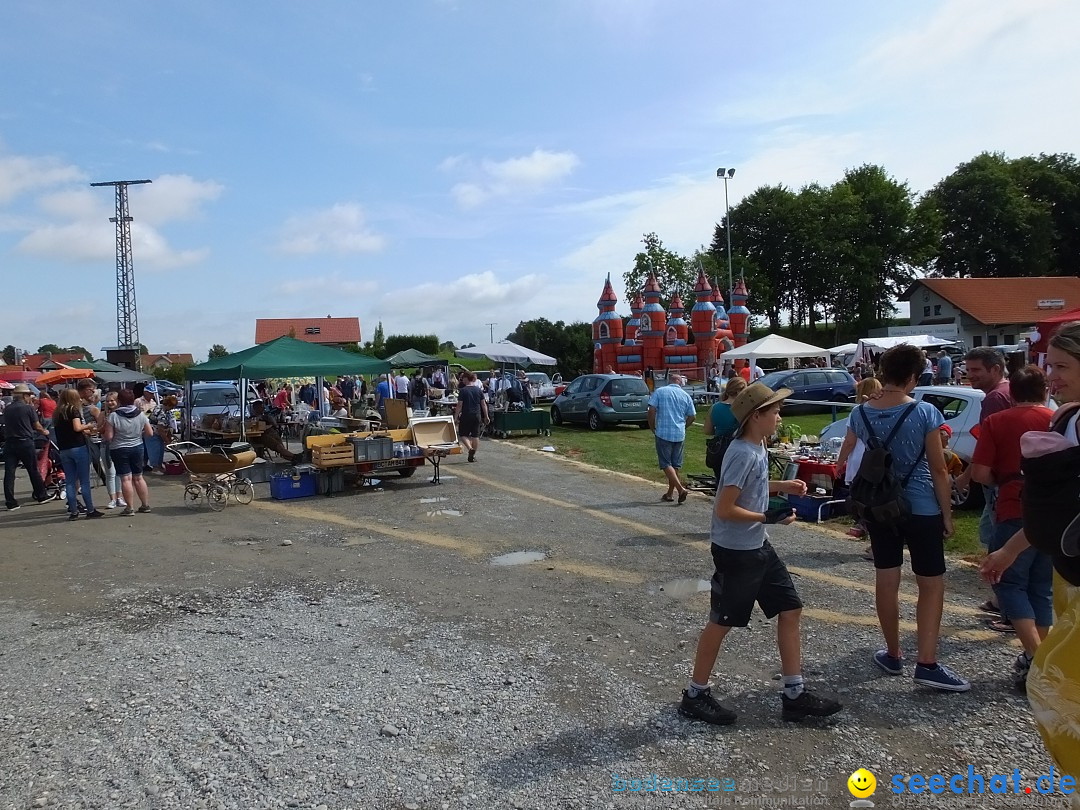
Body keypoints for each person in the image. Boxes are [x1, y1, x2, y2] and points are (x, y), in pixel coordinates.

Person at [679, 382, 842, 725]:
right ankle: (695, 695)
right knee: (721, 623)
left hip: (757, 546)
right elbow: (724, 508)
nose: (780, 417)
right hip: (737, 551)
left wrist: (781, 487)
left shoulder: (756, 448)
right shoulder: (741, 452)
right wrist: (767, 516)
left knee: (790, 608)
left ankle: (795, 695)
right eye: (775, 411)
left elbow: (749, 487)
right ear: (756, 417)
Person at [980, 321, 1080, 778]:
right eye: (1049, 365)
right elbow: (1056, 514)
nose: (1051, 375)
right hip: (1066, 571)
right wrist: (1011, 551)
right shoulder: (1065, 416)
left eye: (1061, 366)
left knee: (1052, 685)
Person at [843, 344, 968, 691]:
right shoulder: (926, 412)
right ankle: (927, 661)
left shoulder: (861, 413)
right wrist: (947, 512)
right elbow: (939, 468)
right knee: (930, 583)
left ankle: (893, 653)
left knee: (887, 577)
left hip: (881, 504)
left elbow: (853, 448)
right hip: (922, 504)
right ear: (913, 376)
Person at [970, 366, 1054, 676]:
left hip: (1012, 504)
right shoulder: (1057, 420)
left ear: (1012, 393)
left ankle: (1038, 658)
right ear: (1045, 391)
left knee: (1008, 583)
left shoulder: (997, 421)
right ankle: (1039, 656)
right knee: (1041, 586)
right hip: (1052, 512)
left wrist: (1001, 482)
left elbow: (979, 472)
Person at [954, 346, 1014, 614]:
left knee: (996, 537)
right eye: (968, 370)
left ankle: (1003, 602)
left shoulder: (993, 399)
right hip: (1012, 479)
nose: (970, 375)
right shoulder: (1010, 391)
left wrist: (967, 476)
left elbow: (987, 445)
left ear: (996, 369)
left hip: (998, 480)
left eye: (976, 370)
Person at [839, 377, 883, 547]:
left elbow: (850, 441)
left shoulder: (858, 412)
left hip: (860, 460)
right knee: (877, 502)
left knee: (863, 503)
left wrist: (839, 462)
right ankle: (873, 539)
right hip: (878, 461)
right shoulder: (884, 409)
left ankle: (867, 531)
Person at [53, 389, 103, 520]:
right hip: (78, 447)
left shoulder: (57, 412)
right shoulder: (73, 410)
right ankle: (90, 509)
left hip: (64, 449)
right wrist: (88, 426)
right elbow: (76, 427)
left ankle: (73, 511)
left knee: (70, 481)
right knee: (84, 481)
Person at [648, 372, 696, 504]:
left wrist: (652, 426)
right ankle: (669, 493)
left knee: (665, 463)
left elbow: (651, 410)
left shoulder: (660, 391)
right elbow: (692, 416)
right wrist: (684, 426)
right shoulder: (686, 396)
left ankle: (680, 489)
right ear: (680, 382)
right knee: (675, 465)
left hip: (663, 432)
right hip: (679, 433)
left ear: (670, 381)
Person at [103, 388, 153, 516]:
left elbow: (108, 437)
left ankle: (129, 508)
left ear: (119, 400)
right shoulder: (140, 414)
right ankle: (145, 505)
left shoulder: (113, 416)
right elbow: (149, 433)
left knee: (125, 479)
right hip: (137, 446)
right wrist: (137, 434)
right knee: (138, 477)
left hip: (119, 448)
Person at [3, 384, 52, 510]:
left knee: (9, 473)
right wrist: (45, 432)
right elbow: (37, 426)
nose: (30, 398)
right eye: (29, 395)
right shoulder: (27, 408)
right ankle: (41, 495)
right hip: (25, 442)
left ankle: (10, 501)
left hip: (9, 443)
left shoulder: (7, 408)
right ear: (24, 396)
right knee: (33, 470)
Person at [702, 377, 746, 480]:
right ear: (740, 390)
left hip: (719, 449)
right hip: (738, 447)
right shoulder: (743, 409)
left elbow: (707, 430)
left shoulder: (715, 407)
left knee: (720, 481)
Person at [96, 390, 124, 509]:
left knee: (120, 473)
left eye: (112, 400)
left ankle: (119, 497)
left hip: (119, 445)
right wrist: (106, 424)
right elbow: (99, 430)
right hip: (106, 445)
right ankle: (112, 499)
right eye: (107, 401)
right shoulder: (103, 414)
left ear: (118, 401)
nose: (110, 403)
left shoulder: (122, 413)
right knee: (110, 473)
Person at [454, 371, 489, 462]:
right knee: (475, 435)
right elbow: (483, 404)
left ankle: (470, 449)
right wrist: (486, 416)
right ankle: (473, 456)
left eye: (463, 379)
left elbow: (459, 405)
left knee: (463, 434)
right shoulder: (478, 390)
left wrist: (455, 416)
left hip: (466, 414)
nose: (462, 380)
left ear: (466, 378)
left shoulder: (463, 390)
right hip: (477, 415)